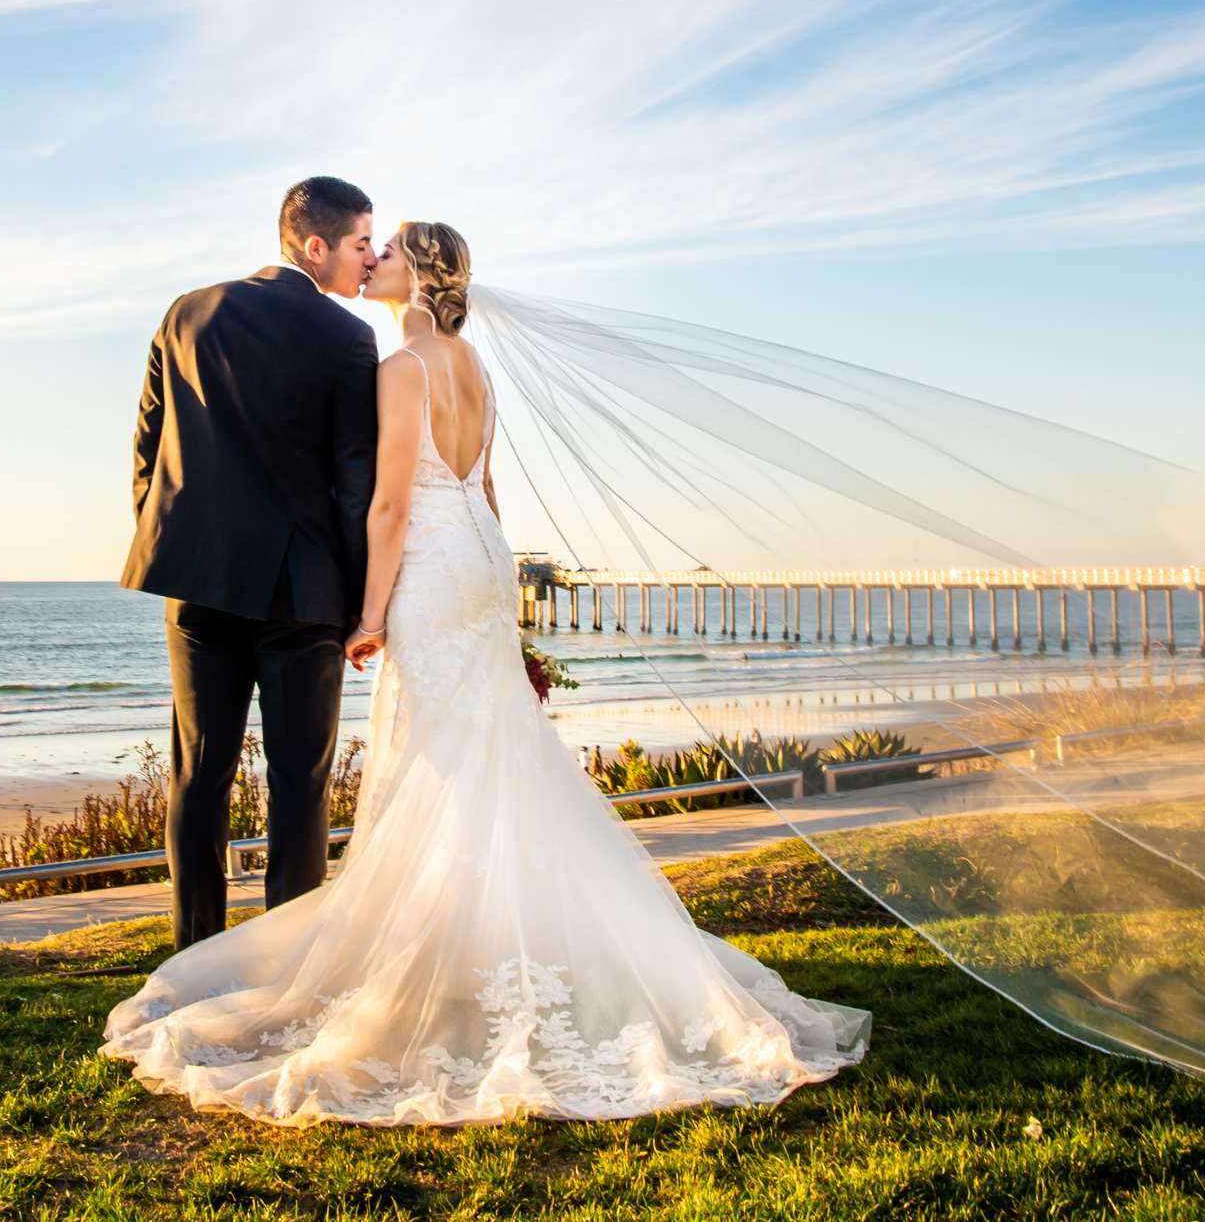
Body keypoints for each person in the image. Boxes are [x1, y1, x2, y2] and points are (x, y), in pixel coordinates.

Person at [102, 219, 869, 1125]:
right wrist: (486, 590)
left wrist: (374, 611)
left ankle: (439, 956)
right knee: (491, 757)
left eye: (384, 252)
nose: (371, 259)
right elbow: (487, 490)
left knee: (436, 758)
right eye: (365, 245)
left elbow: (388, 504)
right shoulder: (476, 370)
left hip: (427, 570)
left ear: (417, 276)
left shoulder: (396, 366)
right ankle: (483, 948)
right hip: (482, 561)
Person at [120, 176, 382, 949]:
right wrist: (368, 602)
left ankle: (192, 952)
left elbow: (147, 447)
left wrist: (177, 542)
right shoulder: (347, 339)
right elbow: (354, 482)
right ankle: (285, 959)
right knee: (299, 784)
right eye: (361, 242)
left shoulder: (187, 312)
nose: (369, 259)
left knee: (198, 773)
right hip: (303, 595)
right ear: (316, 245)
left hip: (197, 586)